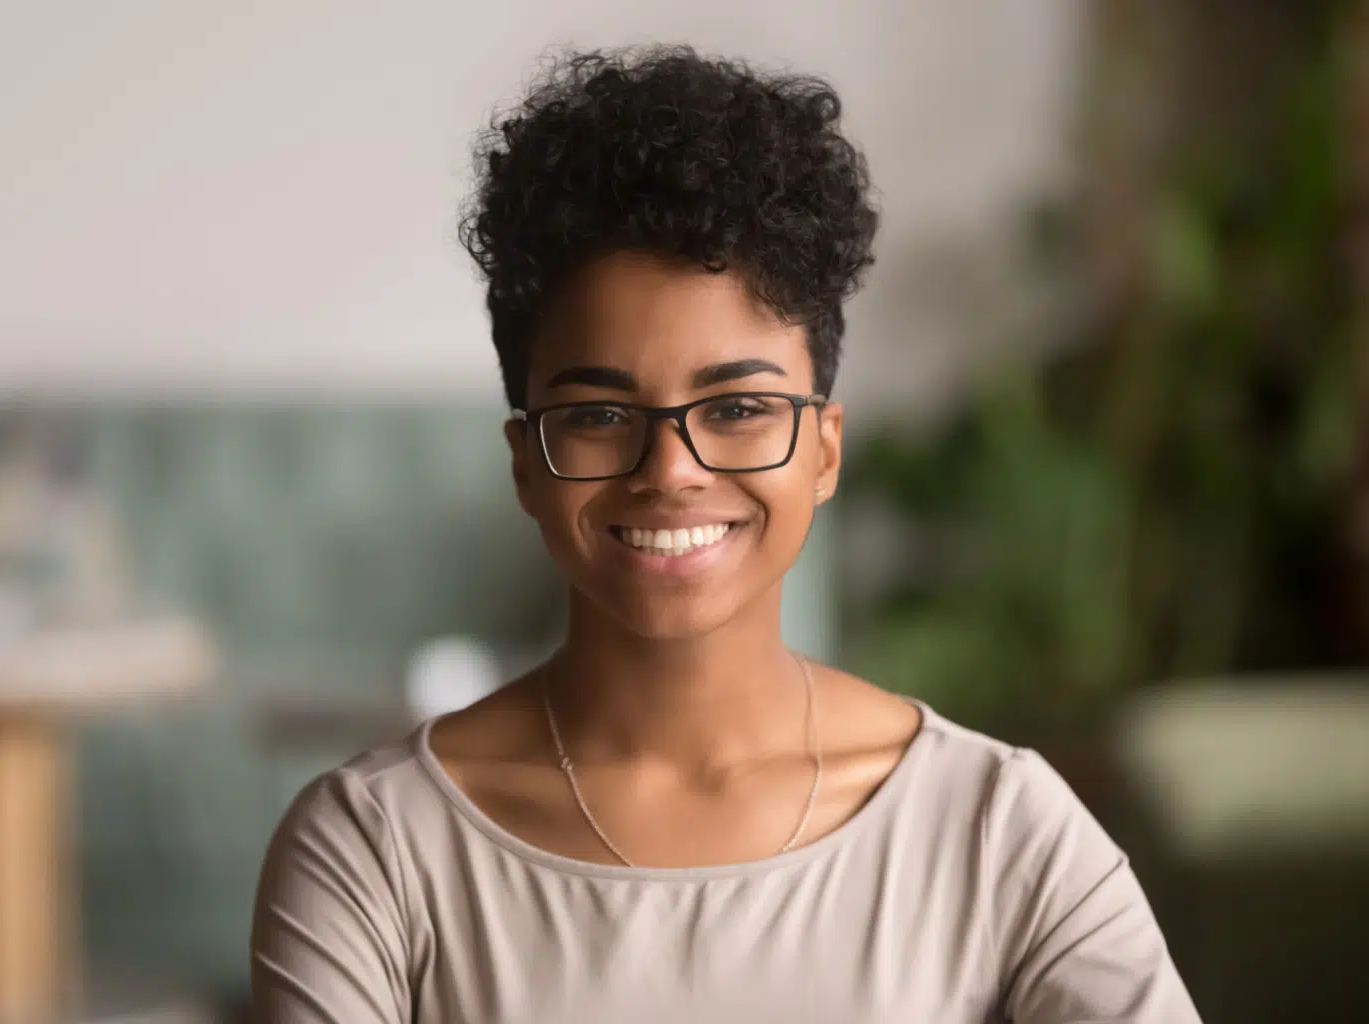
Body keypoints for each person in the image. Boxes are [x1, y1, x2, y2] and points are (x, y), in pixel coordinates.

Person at [250, 46, 1202, 1023]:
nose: (670, 472)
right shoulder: (373, 851)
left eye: (739, 406)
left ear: (824, 449)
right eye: (600, 415)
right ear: (525, 462)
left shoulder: (994, 829)